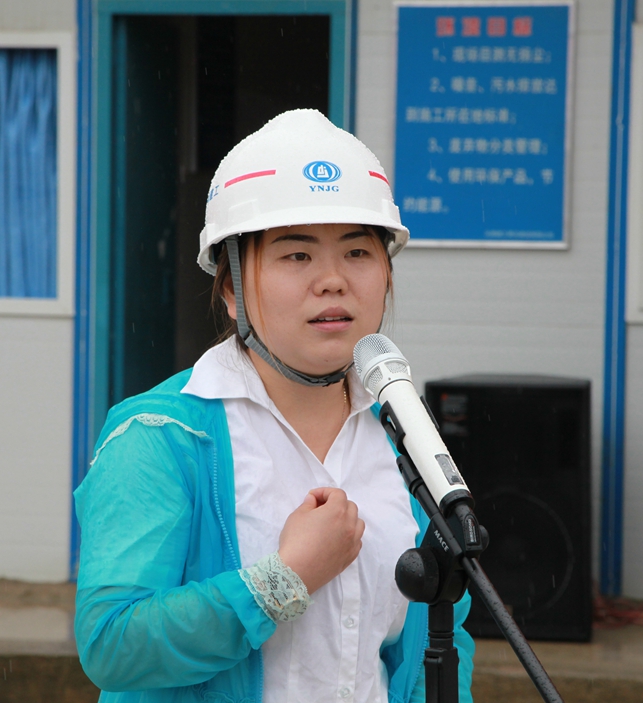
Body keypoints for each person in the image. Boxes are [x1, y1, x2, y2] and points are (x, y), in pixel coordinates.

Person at [74, 109, 474, 703]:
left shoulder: (405, 434)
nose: (333, 280)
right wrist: (283, 580)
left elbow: (438, 642)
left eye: (357, 252)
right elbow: (113, 645)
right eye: (297, 255)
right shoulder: (159, 436)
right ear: (232, 288)